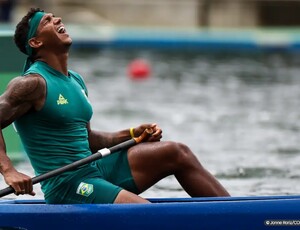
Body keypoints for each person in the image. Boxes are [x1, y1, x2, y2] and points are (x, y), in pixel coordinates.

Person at [0, 8, 230, 204]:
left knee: (176, 152)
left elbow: (89, 140)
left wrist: (132, 134)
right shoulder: (31, 84)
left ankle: (235, 214)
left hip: (96, 169)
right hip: (69, 185)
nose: (57, 20)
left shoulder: (75, 80)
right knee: (150, 217)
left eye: (55, 17)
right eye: (47, 21)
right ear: (35, 42)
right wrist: (9, 170)